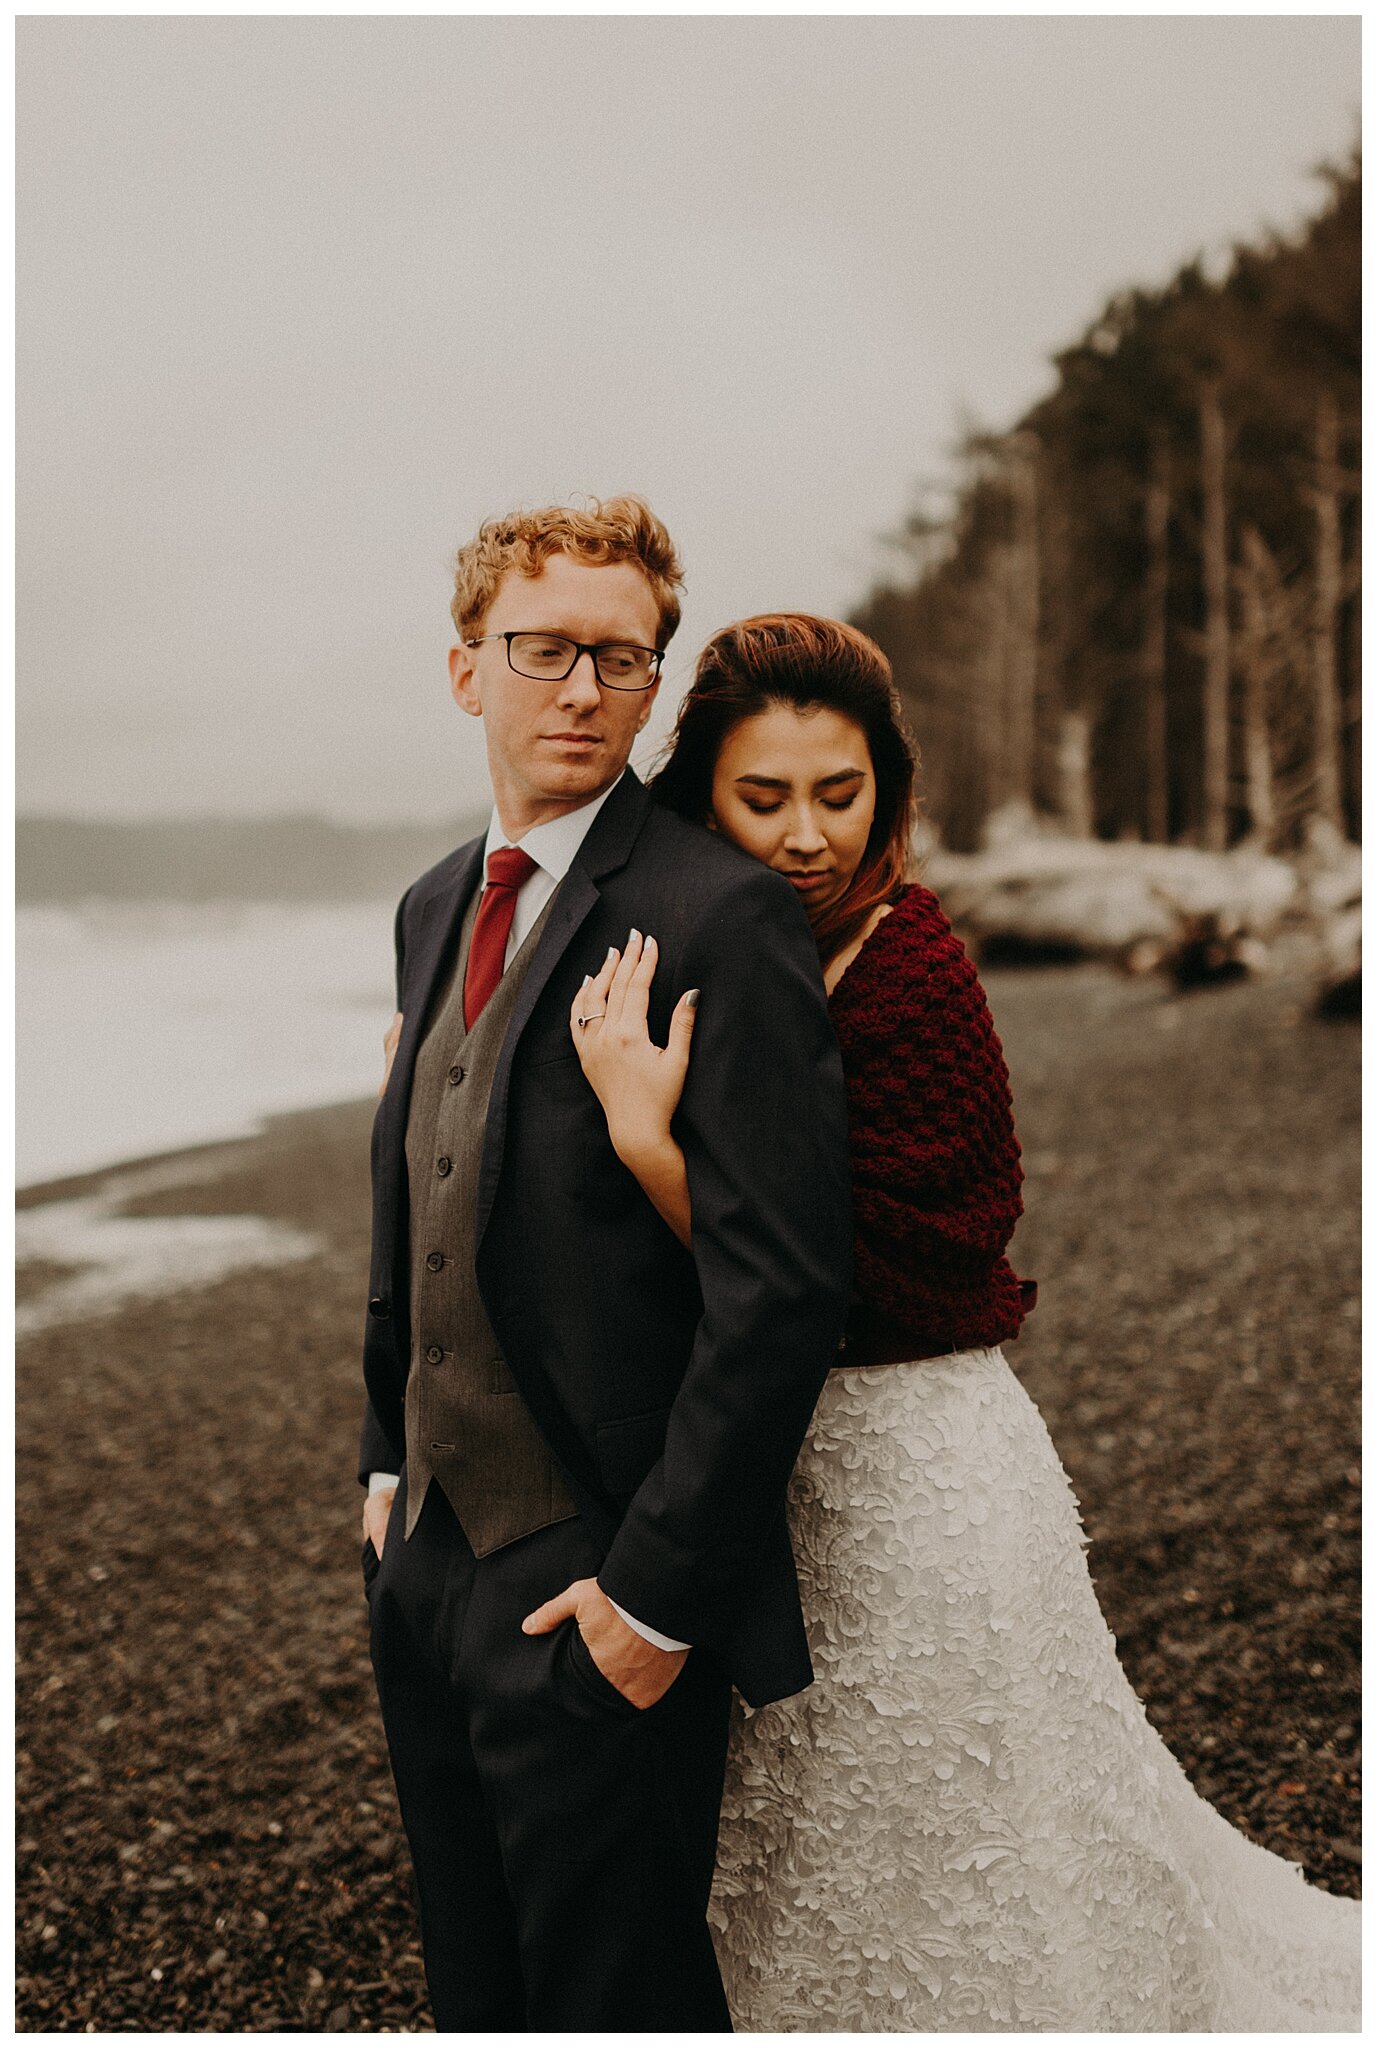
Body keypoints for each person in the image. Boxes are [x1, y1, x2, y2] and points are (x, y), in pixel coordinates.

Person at [568, 611, 1362, 2032]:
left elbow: (856, 1274)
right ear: (701, 796)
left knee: (976, 1847)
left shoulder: (913, 968)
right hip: (753, 1482)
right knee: (802, 1857)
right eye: (763, 799)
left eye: (839, 792)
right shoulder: (703, 954)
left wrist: (649, 1142)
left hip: (913, 1478)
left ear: (890, 787)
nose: (807, 836)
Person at [357, 502, 853, 2030]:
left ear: (652, 684)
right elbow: (410, 1192)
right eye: (543, 649)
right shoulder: (435, 904)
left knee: (612, 1999)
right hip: (428, 1561)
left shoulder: (722, 915)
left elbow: (780, 1293)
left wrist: (652, 1602)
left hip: (598, 1572)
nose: (581, 688)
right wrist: (385, 1459)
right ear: (465, 671)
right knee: (478, 1990)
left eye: (620, 659)